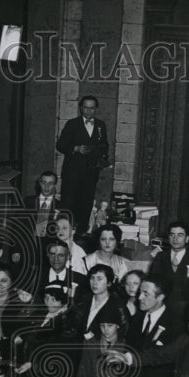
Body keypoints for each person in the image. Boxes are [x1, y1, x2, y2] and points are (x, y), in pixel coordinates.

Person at [56, 95, 110, 235]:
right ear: (81, 108)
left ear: (96, 109)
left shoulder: (100, 125)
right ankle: (64, 233)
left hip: (91, 172)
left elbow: (105, 145)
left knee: (86, 203)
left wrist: (101, 157)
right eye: (86, 107)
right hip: (72, 172)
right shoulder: (71, 124)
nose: (89, 111)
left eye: (92, 108)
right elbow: (60, 145)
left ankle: (81, 234)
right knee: (68, 202)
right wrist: (75, 148)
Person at [147, 221, 189, 325]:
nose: (175, 239)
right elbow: (154, 282)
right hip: (163, 308)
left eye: (180, 235)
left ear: (187, 238)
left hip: (187, 310)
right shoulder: (161, 257)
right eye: (172, 235)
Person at [37, 238, 89, 303]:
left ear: (68, 257)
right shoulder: (36, 277)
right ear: (48, 255)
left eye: (61, 255)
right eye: (53, 254)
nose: (56, 259)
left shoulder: (80, 279)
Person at [23, 170, 63, 239]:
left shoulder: (60, 206)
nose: (46, 187)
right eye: (44, 183)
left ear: (55, 185)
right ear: (39, 183)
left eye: (50, 183)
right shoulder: (27, 202)